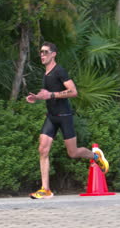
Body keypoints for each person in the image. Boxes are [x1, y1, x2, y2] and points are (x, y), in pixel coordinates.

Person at [26, 41, 109, 199]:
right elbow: (48, 92)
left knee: (73, 152)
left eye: (45, 52)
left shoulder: (59, 71)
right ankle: (45, 189)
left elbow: (73, 91)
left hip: (64, 116)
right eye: (41, 52)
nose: (42, 55)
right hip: (51, 117)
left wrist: (51, 95)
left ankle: (96, 156)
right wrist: (37, 97)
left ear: (53, 54)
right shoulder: (46, 73)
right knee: (42, 149)